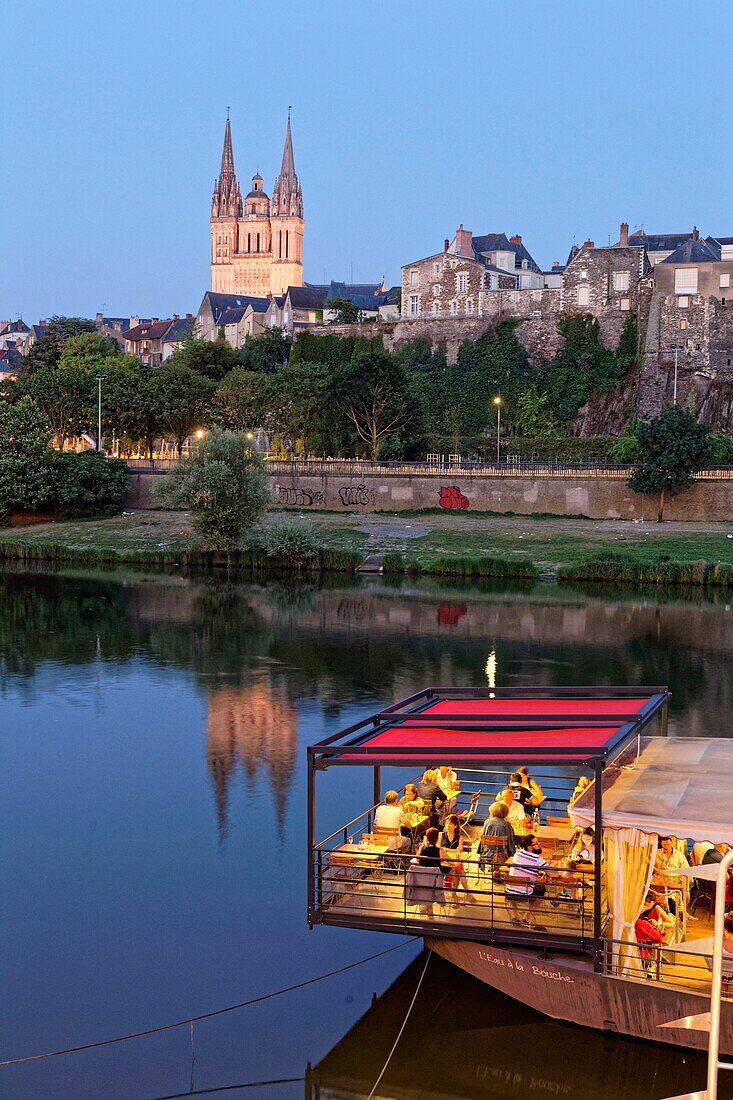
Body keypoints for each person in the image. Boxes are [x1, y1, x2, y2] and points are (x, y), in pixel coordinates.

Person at [505, 833, 552, 929]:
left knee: (514, 887)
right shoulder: (537, 859)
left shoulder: (518, 853)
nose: (539, 845)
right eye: (536, 844)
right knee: (541, 890)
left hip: (508, 892)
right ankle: (526, 918)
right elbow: (554, 874)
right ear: (530, 847)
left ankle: (515, 917)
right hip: (525, 893)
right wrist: (545, 866)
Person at [440, 814, 476, 904]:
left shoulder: (460, 837)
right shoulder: (441, 835)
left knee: (456, 869)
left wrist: (446, 849)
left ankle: (454, 894)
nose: (448, 826)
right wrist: (452, 850)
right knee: (458, 869)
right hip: (444, 862)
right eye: (447, 823)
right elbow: (439, 848)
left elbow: (459, 850)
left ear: (455, 826)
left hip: (454, 862)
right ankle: (466, 892)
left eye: (450, 824)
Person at [655, 836, 690, 910]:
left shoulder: (679, 855)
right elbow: (653, 868)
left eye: (668, 844)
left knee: (685, 892)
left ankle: (683, 912)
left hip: (676, 880)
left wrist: (680, 879)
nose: (666, 847)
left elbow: (685, 869)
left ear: (672, 843)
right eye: (664, 845)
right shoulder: (657, 853)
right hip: (661, 882)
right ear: (661, 844)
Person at [480, 801, 516, 871]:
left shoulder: (487, 822)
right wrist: (513, 855)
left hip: (487, 853)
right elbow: (510, 841)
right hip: (502, 854)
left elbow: (483, 836)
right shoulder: (507, 825)